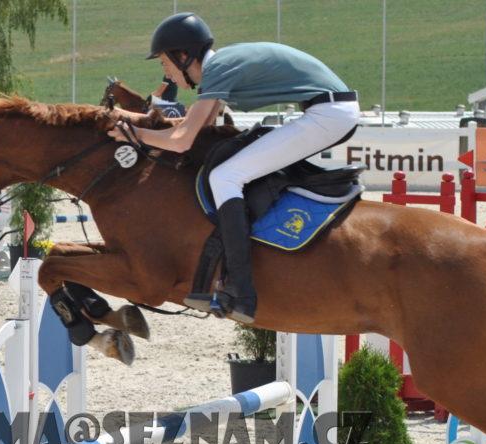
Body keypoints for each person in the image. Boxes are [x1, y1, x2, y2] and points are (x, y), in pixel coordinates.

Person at [107, 13, 360, 324]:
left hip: (330, 114)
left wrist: (134, 134)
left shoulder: (217, 69)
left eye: (164, 63)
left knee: (226, 176)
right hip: (329, 109)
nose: (166, 73)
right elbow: (195, 128)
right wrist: (134, 123)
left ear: (183, 55)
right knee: (228, 170)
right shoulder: (218, 68)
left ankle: (241, 288)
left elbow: (182, 141)